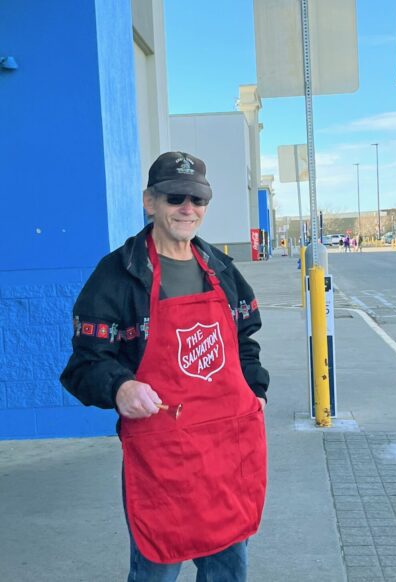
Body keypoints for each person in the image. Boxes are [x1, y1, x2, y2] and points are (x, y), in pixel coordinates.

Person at [60, 152, 269, 581]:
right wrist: (120, 388)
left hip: (226, 454)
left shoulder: (223, 271)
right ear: (150, 202)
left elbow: (246, 341)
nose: (187, 208)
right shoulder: (118, 275)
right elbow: (84, 364)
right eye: (175, 197)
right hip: (162, 460)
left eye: (198, 199)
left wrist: (256, 393)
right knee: (157, 566)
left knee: (228, 566)